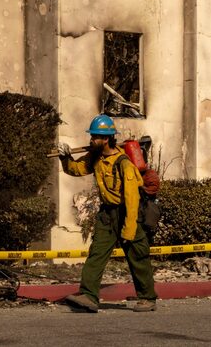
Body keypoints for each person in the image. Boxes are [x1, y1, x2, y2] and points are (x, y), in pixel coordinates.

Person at [56, 114, 157, 312]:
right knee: (97, 254)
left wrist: (129, 229)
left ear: (106, 139)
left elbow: (132, 199)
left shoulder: (124, 164)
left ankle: (148, 298)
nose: (91, 139)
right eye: (92, 136)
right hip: (107, 214)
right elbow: (76, 169)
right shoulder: (96, 157)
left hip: (127, 213)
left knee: (137, 256)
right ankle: (89, 296)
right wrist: (65, 157)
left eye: (95, 136)